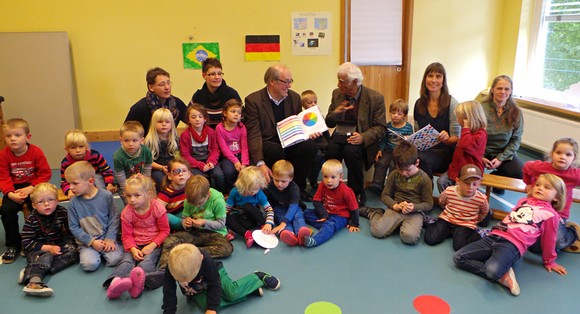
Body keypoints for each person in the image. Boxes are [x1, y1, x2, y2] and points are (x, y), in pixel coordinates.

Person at [453, 174, 568, 296]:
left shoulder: (551, 215)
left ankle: (502, 271)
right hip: (494, 236)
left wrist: (549, 261)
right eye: (538, 185)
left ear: (556, 197)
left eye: (547, 187)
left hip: (512, 245)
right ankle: (503, 271)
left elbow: (549, 239)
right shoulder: (523, 201)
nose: (540, 188)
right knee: (458, 257)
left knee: (492, 272)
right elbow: (512, 219)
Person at [244, 64, 318, 201]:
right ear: (272, 82)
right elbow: (254, 134)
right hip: (268, 143)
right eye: (286, 82)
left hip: (290, 140)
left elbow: (298, 124)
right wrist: (260, 163)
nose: (289, 86)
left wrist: (309, 133)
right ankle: (276, 191)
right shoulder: (253, 101)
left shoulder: (294, 98)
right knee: (276, 150)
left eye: (291, 81)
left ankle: (296, 188)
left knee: (310, 147)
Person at [325, 62, 387, 206]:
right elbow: (329, 123)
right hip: (340, 134)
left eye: (341, 81)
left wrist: (363, 137)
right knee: (331, 151)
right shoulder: (337, 94)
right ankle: (331, 191)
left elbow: (381, 128)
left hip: (360, 137)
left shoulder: (375, 98)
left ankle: (355, 193)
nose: (338, 84)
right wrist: (336, 113)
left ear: (354, 82)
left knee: (351, 151)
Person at [162, 243, 280, 314]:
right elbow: (169, 292)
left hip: (216, 275)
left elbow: (215, 284)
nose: (184, 282)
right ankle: (250, 289)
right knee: (207, 306)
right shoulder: (172, 267)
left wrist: (211, 308)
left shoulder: (206, 260)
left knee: (231, 293)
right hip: (195, 291)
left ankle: (257, 277)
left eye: (187, 279)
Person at [104, 174, 169, 299]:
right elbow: (126, 236)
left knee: (147, 261)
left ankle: (135, 283)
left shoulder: (157, 208)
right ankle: (114, 283)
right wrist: (133, 249)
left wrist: (152, 245)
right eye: (128, 196)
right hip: (134, 243)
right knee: (126, 261)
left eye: (136, 195)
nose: (132, 200)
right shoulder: (127, 212)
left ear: (148, 194)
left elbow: (165, 230)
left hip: (152, 243)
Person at [360, 141, 433, 245]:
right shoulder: (394, 174)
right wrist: (395, 205)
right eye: (400, 169)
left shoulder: (425, 179)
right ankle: (373, 213)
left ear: (416, 163)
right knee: (377, 232)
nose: (403, 173)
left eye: (407, 170)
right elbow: (385, 195)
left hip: (415, 211)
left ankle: (397, 224)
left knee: (409, 238)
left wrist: (414, 207)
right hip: (396, 208)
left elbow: (429, 204)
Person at [0, 118, 51, 264]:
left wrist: (32, 187)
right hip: (13, 189)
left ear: (28, 137)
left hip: (33, 186)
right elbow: (3, 177)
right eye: (9, 136)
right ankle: (13, 244)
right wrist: (10, 193)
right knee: (7, 210)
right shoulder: (3, 155)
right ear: (4, 138)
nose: (13, 139)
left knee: (38, 208)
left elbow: (45, 174)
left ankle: (36, 240)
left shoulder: (36, 152)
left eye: (17, 135)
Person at [159, 175, 233, 268]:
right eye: (193, 204)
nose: (197, 206)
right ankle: (163, 269)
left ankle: (187, 254)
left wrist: (205, 223)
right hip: (195, 232)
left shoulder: (218, 201)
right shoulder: (189, 201)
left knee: (226, 249)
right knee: (169, 240)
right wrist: (186, 223)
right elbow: (184, 217)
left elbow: (221, 224)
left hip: (214, 233)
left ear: (208, 194)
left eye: (200, 203)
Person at [19, 183, 79, 297]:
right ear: (34, 205)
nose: (47, 204)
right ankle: (33, 283)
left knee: (73, 252)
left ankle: (32, 270)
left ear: (57, 200)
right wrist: (48, 248)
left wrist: (75, 244)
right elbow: (27, 242)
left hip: (57, 246)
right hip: (38, 250)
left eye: (50, 200)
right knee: (46, 256)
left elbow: (71, 230)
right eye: (41, 202)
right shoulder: (32, 219)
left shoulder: (62, 212)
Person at [523, 137, 580, 252]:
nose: (562, 157)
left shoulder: (575, 175)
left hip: (558, 214)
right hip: (536, 210)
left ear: (574, 158)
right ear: (551, 154)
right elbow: (526, 167)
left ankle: (573, 231)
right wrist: (528, 183)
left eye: (568, 155)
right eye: (558, 152)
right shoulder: (539, 168)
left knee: (558, 242)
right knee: (535, 247)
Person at [65, 161, 123, 272]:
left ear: (90, 181)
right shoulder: (73, 202)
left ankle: (108, 251)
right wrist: (91, 242)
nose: (71, 187)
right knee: (89, 265)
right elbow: (73, 227)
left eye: (75, 183)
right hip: (87, 243)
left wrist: (110, 238)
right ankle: (92, 253)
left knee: (116, 260)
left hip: (106, 238)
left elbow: (114, 218)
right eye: (69, 184)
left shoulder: (106, 196)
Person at [413, 62, 461, 179]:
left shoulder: (452, 104)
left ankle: (426, 194)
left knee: (421, 159)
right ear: (425, 79)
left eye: (438, 76)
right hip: (425, 150)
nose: (433, 80)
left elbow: (456, 138)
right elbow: (418, 133)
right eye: (430, 76)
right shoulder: (419, 103)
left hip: (445, 152)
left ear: (443, 81)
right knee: (400, 154)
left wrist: (446, 139)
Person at [424, 164, 489, 250]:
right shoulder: (449, 191)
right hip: (447, 220)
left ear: (479, 184)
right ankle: (434, 224)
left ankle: (478, 233)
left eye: (474, 184)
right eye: (466, 183)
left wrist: (475, 220)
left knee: (459, 246)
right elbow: (442, 202)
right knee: (430, 239)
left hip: (465, 224)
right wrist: (447, 213)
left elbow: (484, 212)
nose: (470, 187)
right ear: (458, 181)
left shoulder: (481, 199)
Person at [302, 159, 360, 248]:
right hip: (327, 212)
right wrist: (324, 214)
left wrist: (354, 223)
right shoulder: (322, 185)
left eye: (333, 177)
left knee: (330, 225)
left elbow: (354, 208)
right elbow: (316, 201)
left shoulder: (347, 191)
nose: (329, 181)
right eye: (325, 177)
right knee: (306, 213)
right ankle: (327, 227)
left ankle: (315, 240)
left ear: (340, 177)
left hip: (340, 216)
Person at [481, 75, 524, 188]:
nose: (503, 92)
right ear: (492, 90)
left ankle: (497, 180)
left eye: (507, 89)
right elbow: (471, 135)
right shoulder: (480, 108)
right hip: (481, 151)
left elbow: (516, 140)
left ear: (511, 92)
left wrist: (500, 158)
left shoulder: (516, 112)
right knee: (470, 171)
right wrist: (480, 157)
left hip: (503, 152)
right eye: (499, 88)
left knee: (520, 172)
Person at [436, 100, 488, 193]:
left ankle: (465, 203)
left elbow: (466, 145)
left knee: (463, 190)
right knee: (441, 182)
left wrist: (466, 128)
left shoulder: (480, 134)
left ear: (467, 119)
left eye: (459, 118)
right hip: (456, 170)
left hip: (469, 172)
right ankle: (449, 202)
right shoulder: (466, 133)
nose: (457, 120)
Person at [369, 99, 414, 195]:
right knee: (381, 163)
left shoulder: (408, 127)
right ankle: (377, 184)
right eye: (393, 113)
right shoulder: (388, 126)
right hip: (388, 151)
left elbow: (410, 142)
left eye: (399, 114)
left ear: (404, 115)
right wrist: (380, 150)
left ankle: (392, 187)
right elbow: (384, 140)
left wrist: (407, 140)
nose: (395, 116)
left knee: (394, 167)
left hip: (399, 153)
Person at [125, 67, 187, 136]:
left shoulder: (177, 103)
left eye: (168, 83)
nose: (167, 87)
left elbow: (191, 120)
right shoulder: (139, 108)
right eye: (162, 84)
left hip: (170, 143)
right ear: (151, 87)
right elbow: (126, 132)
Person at [179, 104, 226, 193]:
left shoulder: (211, 132)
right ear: (188, 120)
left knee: (218, 175)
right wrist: (199, 165)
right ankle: (204, 198)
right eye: (193, 117)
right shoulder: (185, 135)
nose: (197, 119)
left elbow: (216, 149)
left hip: (209, 161)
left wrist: (211, 162)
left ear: (205, 119)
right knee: (200, 179)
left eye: (200, 117)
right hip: (194, 163)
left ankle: (221, 196)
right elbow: (185, 155)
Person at [225, 166, 274, 248]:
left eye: (255, 189)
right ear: (242, 185)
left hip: (255, 218)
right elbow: (227, 209)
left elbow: (269, 210)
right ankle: (247, 234)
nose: (252, 192)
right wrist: (227, 227)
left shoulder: (259, 194)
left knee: (247, 206)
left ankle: (263, 227)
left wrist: (268, 223)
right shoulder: (235, 192)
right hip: (244, 220)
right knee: (226, 217)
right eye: (249, 189)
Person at [60, 129, 116, 199]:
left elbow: (106, 170)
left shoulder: (95, 155)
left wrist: (109, 183)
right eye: (73, 147)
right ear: (67, 149)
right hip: (77, 181)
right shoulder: (65, 163)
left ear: (86, 146)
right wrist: (69, 190)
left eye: (81, 146)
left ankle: (100, 198)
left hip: (95, 179)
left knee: (97, 178)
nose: (78, 150)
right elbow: (64, 181)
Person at [267, 160, 310, 246]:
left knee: (297, 217)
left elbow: (293, 207)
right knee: (280, 216)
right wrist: (270, 217)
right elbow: (269, 203)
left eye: (283, 181)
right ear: (272, 175)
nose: (279, 184)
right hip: (279, 207)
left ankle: (301, 232)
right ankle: (290, 234)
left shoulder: (294, 188)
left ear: (290, 178)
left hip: (294, 207)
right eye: (276, 180)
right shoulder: (270, 186)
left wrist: (283, 224)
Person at [190, 58, 242, 128]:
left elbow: (241, 119)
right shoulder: (198, 97)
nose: (217, 77)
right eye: (212, 74)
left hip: (228, 137)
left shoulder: (232, 94)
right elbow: (190, 119)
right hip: (206, 137)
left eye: (220, 73)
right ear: (204, 75)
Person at [215, 99, 249, 193]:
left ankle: (244, 192)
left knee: (247, 171)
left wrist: (244, 163)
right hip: (228, 157)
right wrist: (235, 162)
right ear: (225, 113)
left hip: (241, 155)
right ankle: (231, 192)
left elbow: (245, 147)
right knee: (229, 172)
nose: (236, 114)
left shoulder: (242, 127)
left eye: (239, 112)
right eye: (233, 111)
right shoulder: (220, 128)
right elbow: (224, 148)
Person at [113, 121, 153, 198]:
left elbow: (148, 169)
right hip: (125, 182)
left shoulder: (146, 151)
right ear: (121, 140)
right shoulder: (118, 156)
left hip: (140, 179)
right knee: (128, 199)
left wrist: (144, 182)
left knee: (146, 196)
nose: (130, 144)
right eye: (126, 140)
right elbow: (121, 177)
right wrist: (126, 188)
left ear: (142, 140)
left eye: (134, 140)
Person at [144, 108, 180, 190]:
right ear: (154, 124)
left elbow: (178, 156)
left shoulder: (175, 139)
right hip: (157, 168)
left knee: (181, 178)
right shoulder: (149, 141)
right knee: (161, 180)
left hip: (173, 167)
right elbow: (147, 162)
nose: (164, 124)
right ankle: (165, 197)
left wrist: (174, 167)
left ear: (172, 124)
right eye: (160, 122)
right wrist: (161, 167)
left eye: (167, 122)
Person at [301, 90, 329, 191]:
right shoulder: (302, 117)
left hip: (323, 143)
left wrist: (329, 142)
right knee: (317, 158)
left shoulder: (319, 115)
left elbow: (326, 131)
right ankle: (313, 179)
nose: (313, 104)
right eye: (309, 103)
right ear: (303, 105)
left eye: (315, 102)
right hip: (313, 145)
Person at [157, 158, 191, 231]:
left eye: (184, 171)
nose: (181, 174)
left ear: (189, 175)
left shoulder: (191, 188)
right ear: (169, 176)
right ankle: (185, 226)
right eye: (176, 171)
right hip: (176, 219)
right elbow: (157, 211)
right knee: (166, 217)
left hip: (189, 216)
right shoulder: (166, 193)